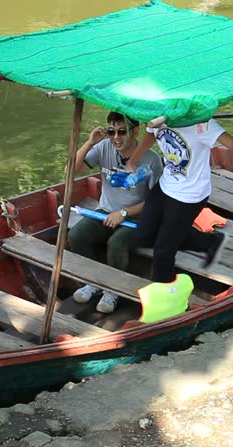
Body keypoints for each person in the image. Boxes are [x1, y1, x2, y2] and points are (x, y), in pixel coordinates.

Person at [125, 118, 233, 283]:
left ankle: (169, 297)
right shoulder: (156, 114)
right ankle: (210, 242)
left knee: (163, 252)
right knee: (143, 236)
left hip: (190, 195)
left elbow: (231, 143)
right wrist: (132, 161)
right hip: (165, 185)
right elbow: (150, 135)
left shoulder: (200, 121)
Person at [69, 112, 163, 313]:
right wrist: (89, 143)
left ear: (135, 132)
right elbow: (71, 170)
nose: (116, 138)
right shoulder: (104, 147)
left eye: (122, 132)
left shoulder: (151, 159)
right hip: (105, 212)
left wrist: (125, 212)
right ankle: (94, 281)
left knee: (117, 243)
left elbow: (157, 201)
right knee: (77, 235)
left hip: (139, 217)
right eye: (111, 132)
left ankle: (113, 290)